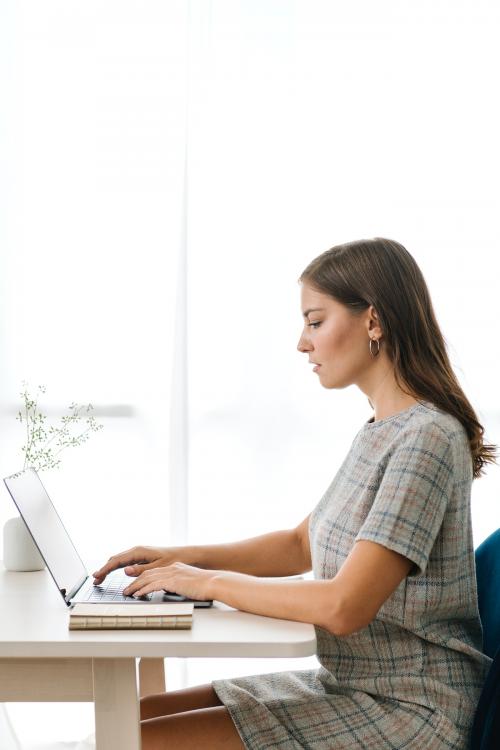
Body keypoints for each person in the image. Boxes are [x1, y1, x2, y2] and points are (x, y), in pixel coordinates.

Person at [93, 237, 497, 750]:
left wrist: (207, 582)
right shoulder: (382, 428)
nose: (302, 344)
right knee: (131, 718)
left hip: (413, 709)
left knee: (130, 741)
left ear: (374, 321)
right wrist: (176, 559)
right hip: (353, 686)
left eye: (315, 321)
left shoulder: (426, 438)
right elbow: (299, 546)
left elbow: (345, 606)